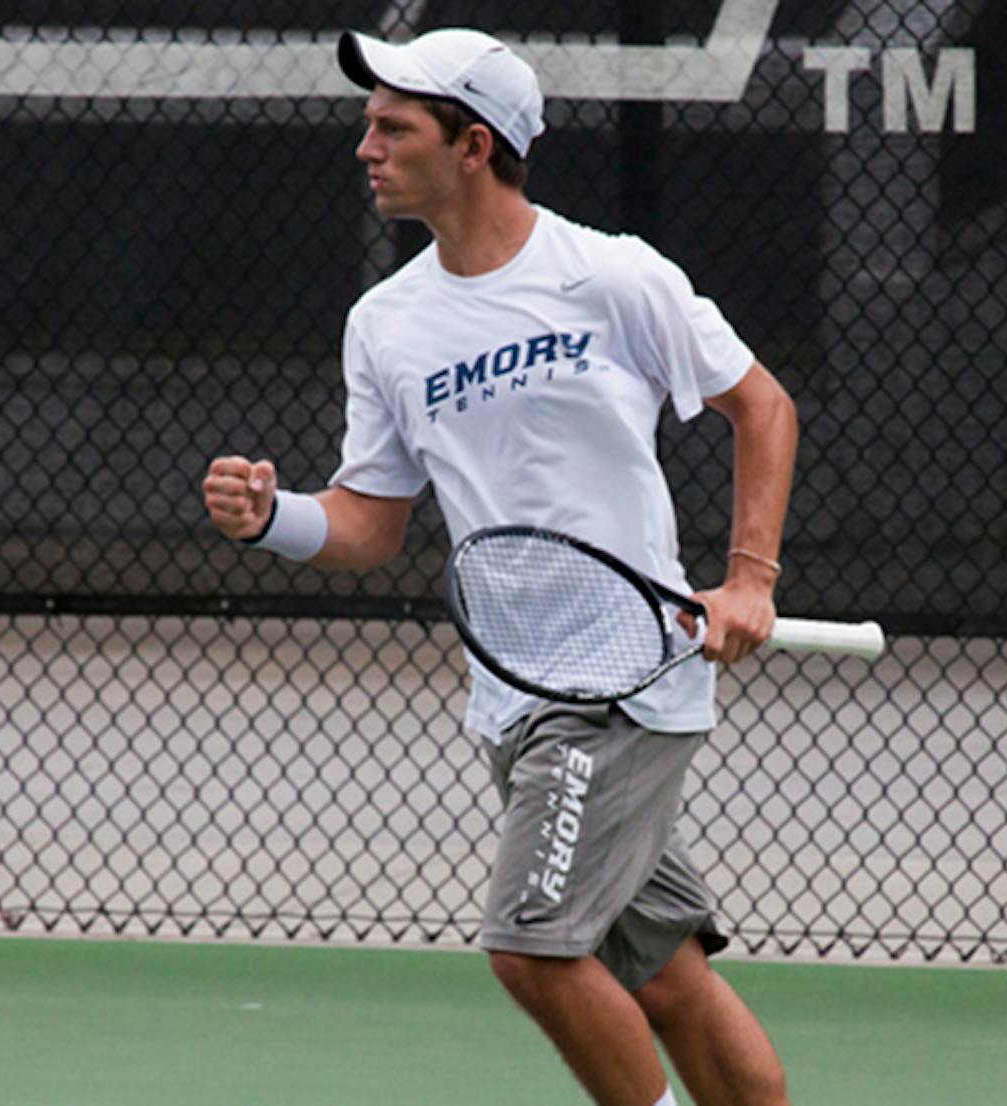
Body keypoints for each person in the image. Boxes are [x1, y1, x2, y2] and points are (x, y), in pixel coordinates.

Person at [202, 26, 799, 1106]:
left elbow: (760, 403)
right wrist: (271, 518)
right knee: (662, 972)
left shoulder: (611, 275)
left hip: (623, 684)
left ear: (472, 144)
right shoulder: (384, 325)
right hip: (513, 697)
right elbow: (370, 522)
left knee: (531, 947)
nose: (364, 147)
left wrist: (747, 577)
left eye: (392, 126)